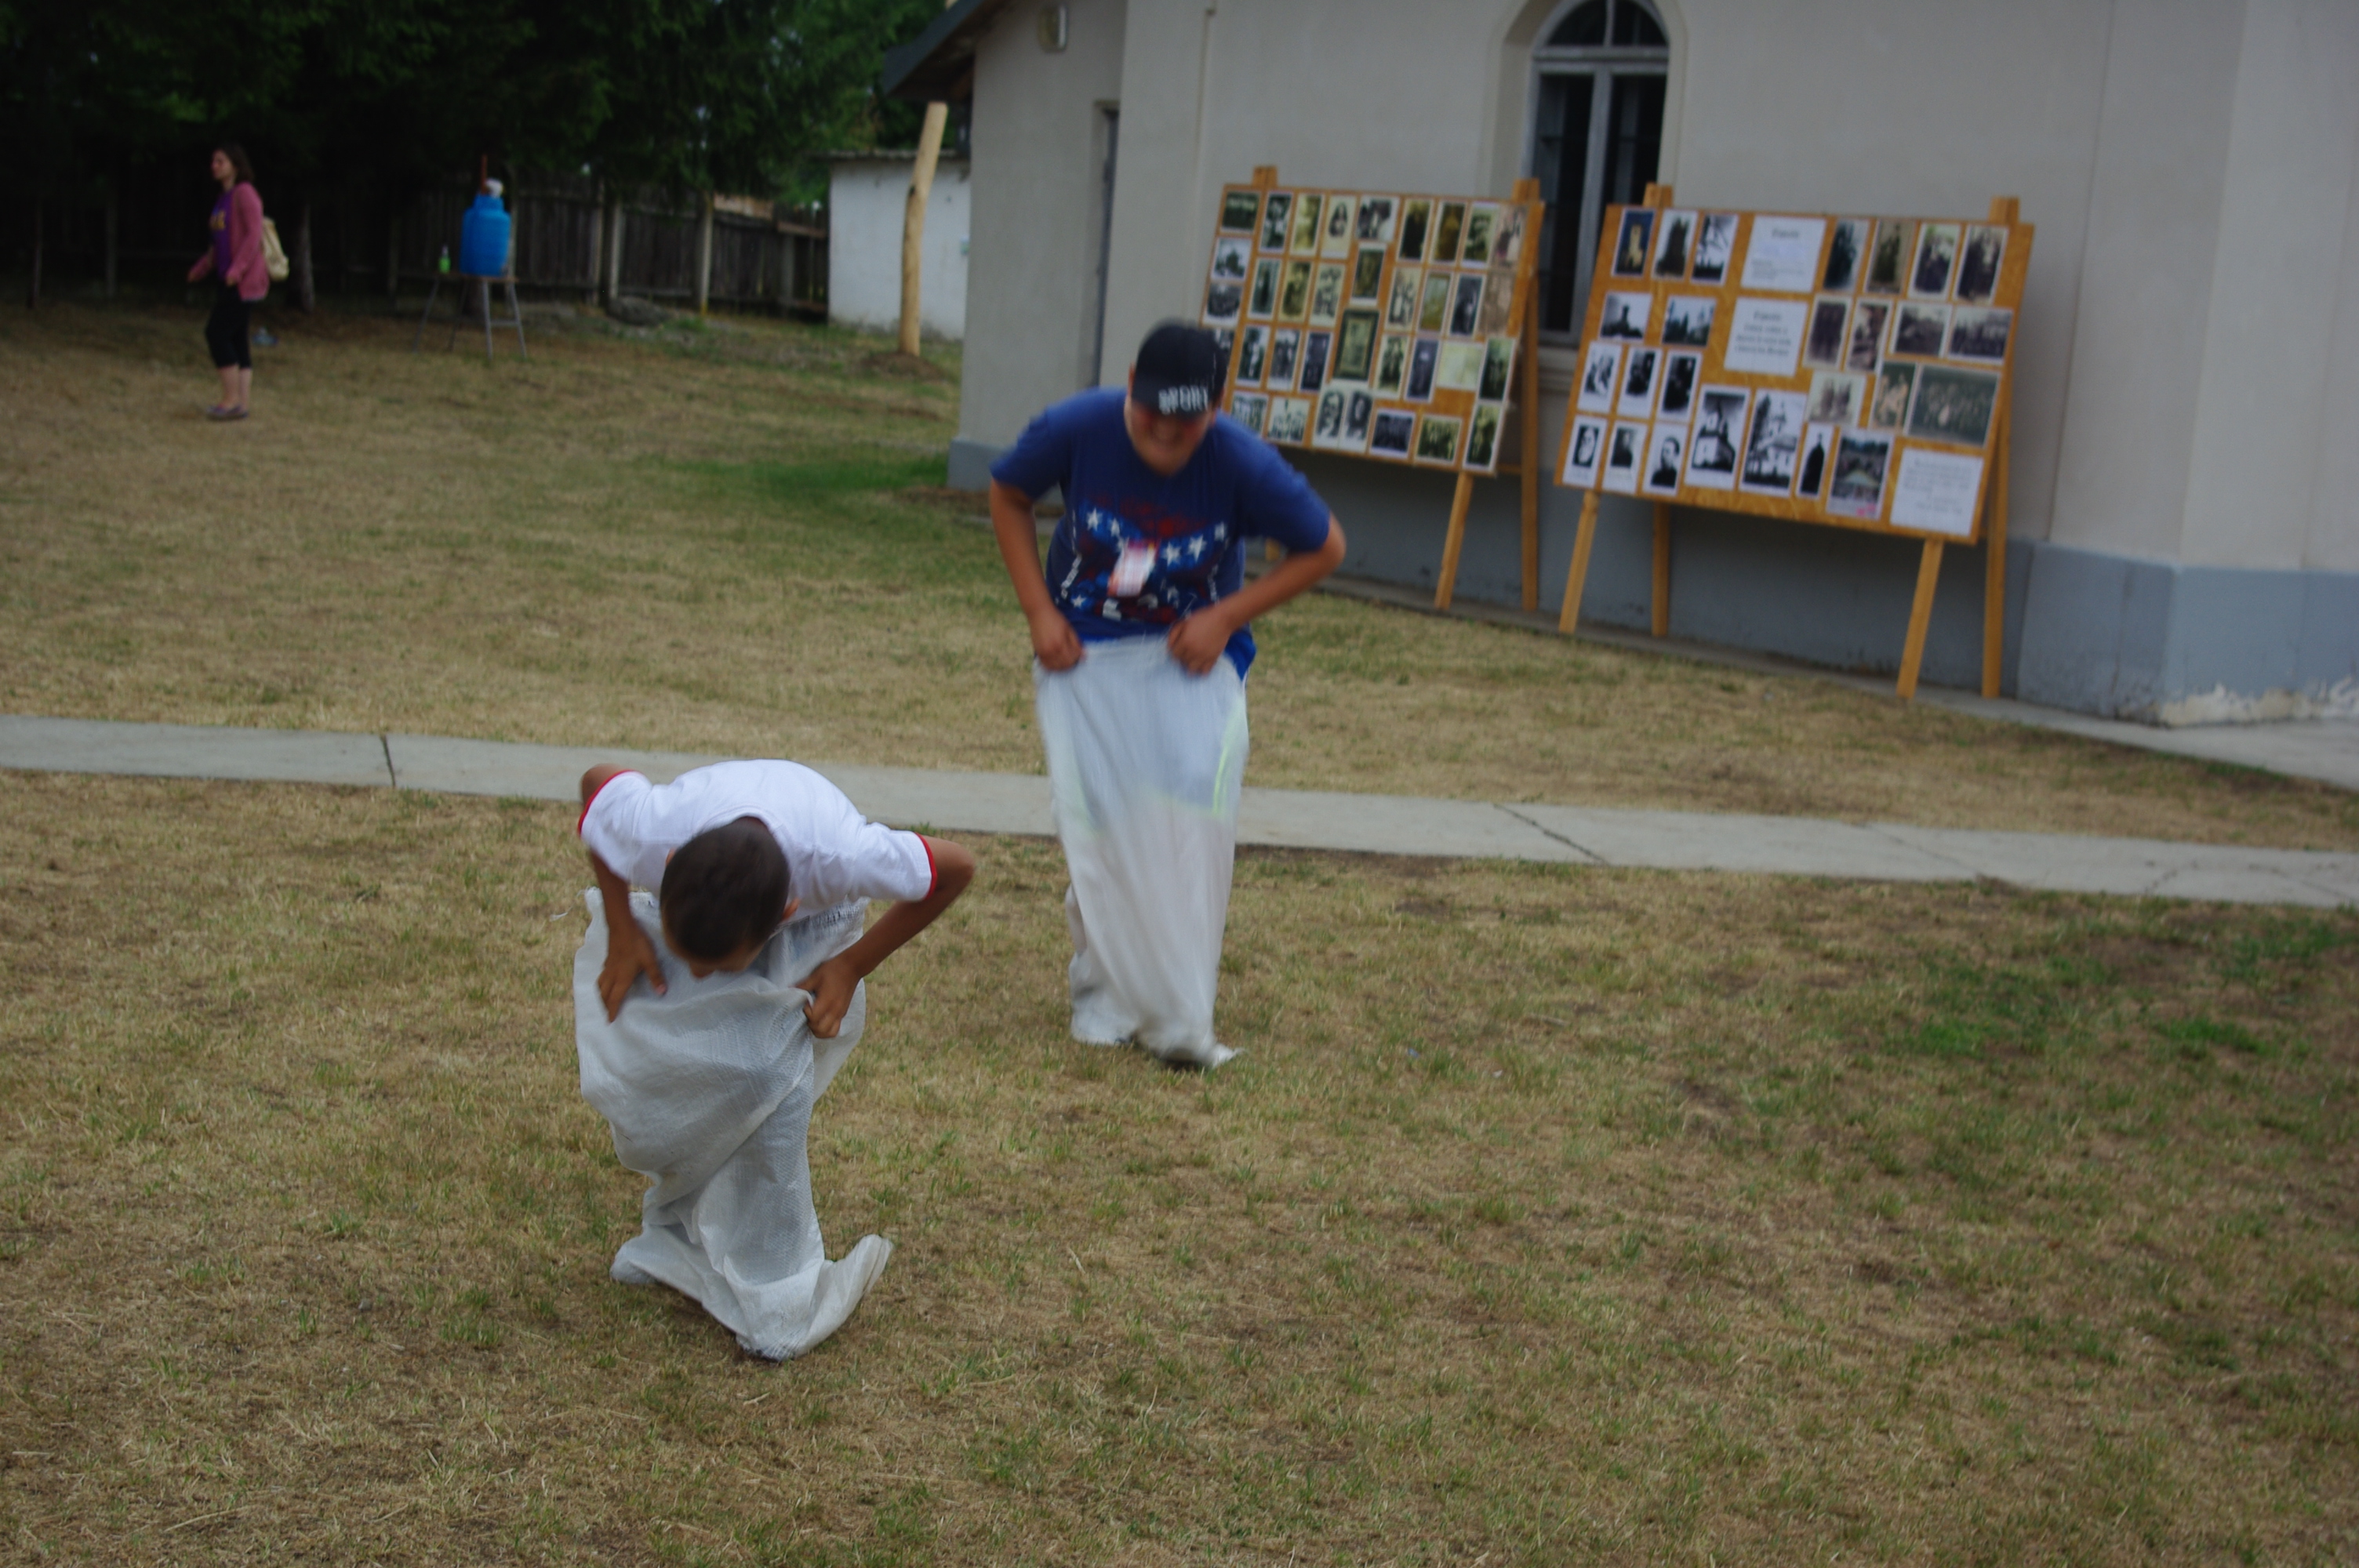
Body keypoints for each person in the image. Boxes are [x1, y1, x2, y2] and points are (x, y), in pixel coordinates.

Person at [989, 321, 1345, 1066]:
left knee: (1189, 809)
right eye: (1151, 411)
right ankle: (1104, 990)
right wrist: (1039, 611)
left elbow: (1324, 547)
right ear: (1128, 383)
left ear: (1218, 407)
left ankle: (1178, 999)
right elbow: (1008, 492)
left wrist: (1224, 615)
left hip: (1192, 657)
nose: (1164, 431)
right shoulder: (1077, 427)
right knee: (1101, 820)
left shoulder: (1241, 463)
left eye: (1187, 420)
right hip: (1087, 646)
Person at [573, 759, 975, 1358]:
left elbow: (956, 867)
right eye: (694, 959)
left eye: (719, 966)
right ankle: (679, 1233)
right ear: (663, 869)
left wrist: (851, 964)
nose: (703, 976)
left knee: (769, 1088)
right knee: (685, 1070)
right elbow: (598, 785)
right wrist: (620, 925)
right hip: (720, 894)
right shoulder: (656, 829)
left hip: (818, 927)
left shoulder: (844, 859)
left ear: (783, 914)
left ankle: (780, 1293)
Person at [186, 144, 267, 421]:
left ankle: (230, 400)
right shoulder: (223, 199)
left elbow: (254, 235)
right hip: (227, 278)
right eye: (213, 161)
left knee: (216, 333)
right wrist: (202, 267)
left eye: (220, 161)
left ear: (235, 164)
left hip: (243, 282)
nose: (214, 166)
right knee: (237, 339)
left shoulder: (245, 193)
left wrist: (238, 269)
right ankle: (241, 404)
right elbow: (218, 243)